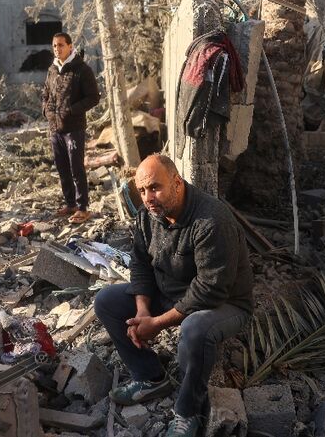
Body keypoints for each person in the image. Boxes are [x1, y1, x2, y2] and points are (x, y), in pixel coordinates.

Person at [94, 155, 253, 437]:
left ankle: (188, 411)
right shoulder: (148, 215)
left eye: (155, 187)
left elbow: (210, 289)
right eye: (142, 191)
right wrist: (143, 311)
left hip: (225, 303)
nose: (147, 197)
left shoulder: (211, 220)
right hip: (171, 293)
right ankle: (150, 377)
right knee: (107, 301)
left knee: (195, 330)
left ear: (177, 183)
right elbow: (140, 263)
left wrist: (157, 323)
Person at [41, 32, 99, 224]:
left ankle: (83, 208)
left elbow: (93, 97)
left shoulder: (82, 70)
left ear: (70, 46)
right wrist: (46, 110)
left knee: (76, 167)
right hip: (54, 128)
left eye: (60, 45)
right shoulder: (52, 69)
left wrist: (72, 110)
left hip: (74, 127)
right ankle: (70, 204)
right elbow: (46, 93)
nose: (57, 49)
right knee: (62, 167)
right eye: (54, 45)